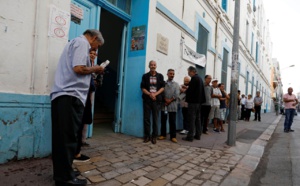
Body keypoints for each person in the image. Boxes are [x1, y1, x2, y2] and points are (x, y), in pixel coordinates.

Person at [50, 29, 104, 186]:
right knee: (67, 139)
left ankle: (63, 172)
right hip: (70, 96)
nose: (94, 49)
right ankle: (64, 179)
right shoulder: (82, 43)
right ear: (93, 38)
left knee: (63, 138)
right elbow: (79, 69)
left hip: (64, 96)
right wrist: (97, 68)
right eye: (96, 46)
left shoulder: (73, 43)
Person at [140, 60, 165, 144]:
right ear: (149, 66)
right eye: (151, 65)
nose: (153, 66)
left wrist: (155, 95)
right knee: (146, 119)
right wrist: (150, 94)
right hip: (147, 100)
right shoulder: (145, 76)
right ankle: (147, 136)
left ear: (156, 66)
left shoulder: (160, 76)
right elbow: (143, 88)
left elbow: (162, 88)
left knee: (155, 119)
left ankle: (154, 136)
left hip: (156, 101)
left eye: (154, 65)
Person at [182, 66, 206, 142]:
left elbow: (191, 91)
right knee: (197, 119)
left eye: (188, 72)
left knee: (191, 119)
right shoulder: (199, 78)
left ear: (192, 71)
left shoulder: (194, 78)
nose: (188, 73)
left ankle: (190, 136)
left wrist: (185, 90)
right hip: (198, 102)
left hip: (193, 102)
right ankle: (198, 134)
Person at [158, 69, 180, 143]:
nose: (172, 75)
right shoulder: (163, 83)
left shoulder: (176, 84)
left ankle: (173, 136)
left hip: (173, 106)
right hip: (164, 105)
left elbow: (177, 94)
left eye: (173, 74)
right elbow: (161, 92)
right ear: (167, 74)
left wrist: (169, 100)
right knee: (163, 121)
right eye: (170, 73)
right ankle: (163, 135)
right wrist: (165, 99)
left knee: (172, 122)